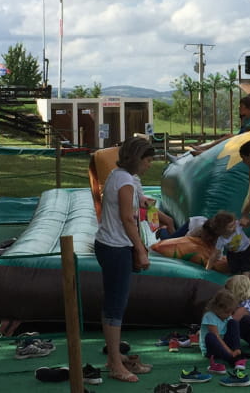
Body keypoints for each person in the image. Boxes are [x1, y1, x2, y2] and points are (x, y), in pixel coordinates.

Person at [95, 137, 155, 383]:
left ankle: (114, 357)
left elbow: (130, 212)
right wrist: (140, 249)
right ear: (136, 159)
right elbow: (126, 218)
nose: (149, 165)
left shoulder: (118, 176)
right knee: (116, 305)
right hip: (115, 247)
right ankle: (116, 365)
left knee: (113, 302)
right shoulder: (124, 181)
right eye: (148, 160)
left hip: (110, 245)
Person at [197, 289, 249, 379]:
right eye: (226, 312)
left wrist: (234, 349)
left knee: (233, 322)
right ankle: (232, 359)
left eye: (231, 312)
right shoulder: (209, 316)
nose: (229, 314)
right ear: (217, 308)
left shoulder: (227, 316)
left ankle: (237, 351)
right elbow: (217, 337)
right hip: (212, 350)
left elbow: (232, 330)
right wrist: (229, 352)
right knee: (211, 336)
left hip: (224, 345)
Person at [207, 210, 250, 274]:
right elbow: (214, 254)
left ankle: (246, 281)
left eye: (234, 224)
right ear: (222, 230)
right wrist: (207, 269)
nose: (234, 227)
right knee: (233, 269)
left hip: (245, 250)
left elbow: (248, 224)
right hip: (232, 254)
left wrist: (247, 222)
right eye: (230, 226)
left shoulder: (237, 225)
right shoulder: (221, 240)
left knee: (246, 268)